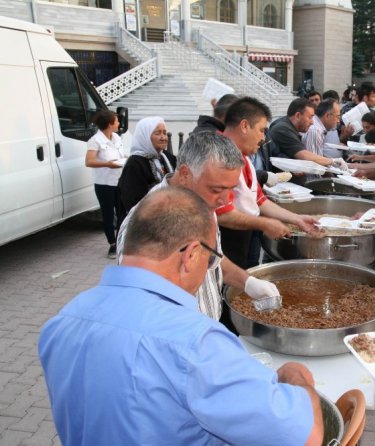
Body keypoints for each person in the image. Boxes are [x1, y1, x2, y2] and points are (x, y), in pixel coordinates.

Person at [39, 186, 324, 446]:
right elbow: (305, 436)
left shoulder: (62, 321)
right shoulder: (195, 343)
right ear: (190, 255)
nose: (210, 267)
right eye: (212, 259)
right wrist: (297, 377)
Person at [117, 131, 282, 320]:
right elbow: (142, 306)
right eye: (217, 189)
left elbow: (212, 258)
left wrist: (247, 282)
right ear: (186, 174)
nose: (224, 200)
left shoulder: (202, 201)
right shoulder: (146, 223)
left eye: (231, 189)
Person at [218, 97, 320, 269]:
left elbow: (260, 200)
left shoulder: (242, 156)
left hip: (241, 239)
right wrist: (265, 223)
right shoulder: (219, 155)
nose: (264, 138)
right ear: (244, 126)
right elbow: (223, 214)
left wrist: (297, 219)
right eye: (261, 130)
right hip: (224, 241)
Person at [117, 116, 176, 224]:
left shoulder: (167, 157)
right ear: (145, 136)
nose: (163, 137)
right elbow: (132, 201)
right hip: (143, 224)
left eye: (164, 132)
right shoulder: (135, 164)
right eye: (158, 133)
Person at [85, 110, 125, 258]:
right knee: (108, 215)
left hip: (119, 181)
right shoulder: (95, 140)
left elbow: (120, 156)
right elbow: (89, 161)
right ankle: (112, 244)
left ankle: (122, 241)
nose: (119, 123)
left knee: (122, 212)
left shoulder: (117, 138)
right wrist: (107, 164)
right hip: (104, 183)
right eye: (116, 121)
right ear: (110, 124)